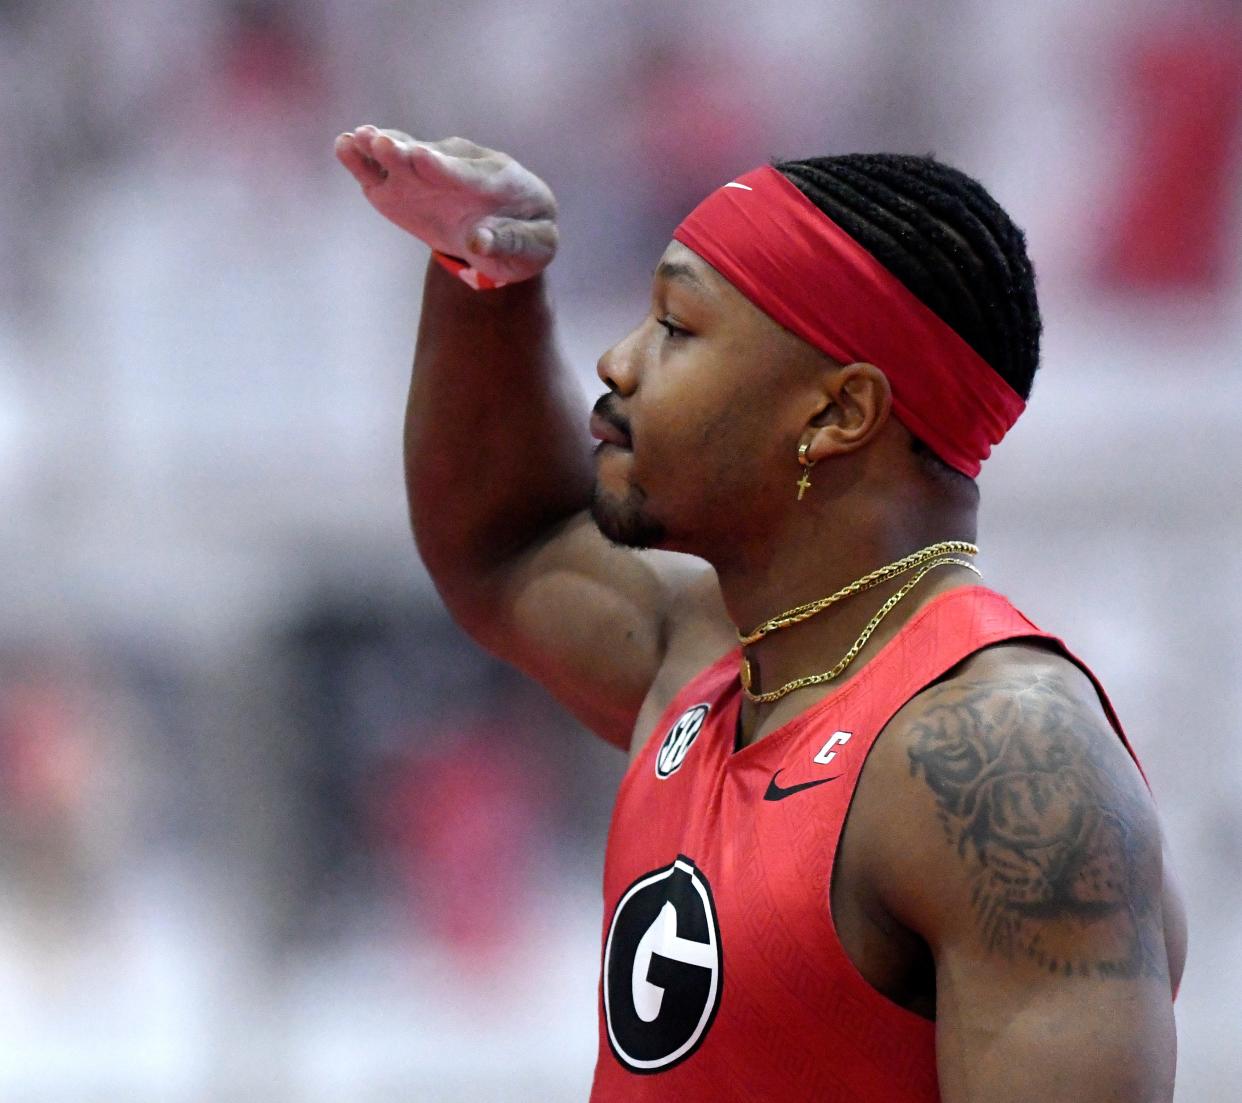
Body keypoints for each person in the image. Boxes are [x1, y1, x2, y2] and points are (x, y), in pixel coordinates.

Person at [334, 124, 1187, 1102]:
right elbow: (507, 545)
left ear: (837, 413)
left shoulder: (1001, 756)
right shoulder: (718, 653)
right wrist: (485, 271)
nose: (617, 362)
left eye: (676, 327)